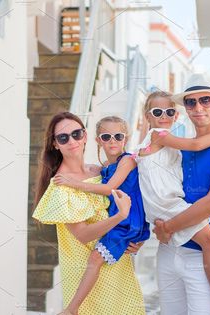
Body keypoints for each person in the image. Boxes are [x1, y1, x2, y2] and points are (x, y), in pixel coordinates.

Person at [134, 90, 210, 315]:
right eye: (191, 102)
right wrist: (135, 234)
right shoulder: (179, 147)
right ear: (186, 109)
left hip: (203, 257)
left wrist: (167, 228)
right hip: (169, 248)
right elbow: (141, 185)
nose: (198, 107)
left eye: (205, 100)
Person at [32, 112, 146, 315]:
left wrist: (136, 237)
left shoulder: (100, 172)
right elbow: (83, 235)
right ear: (55, 144)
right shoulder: (61, 186)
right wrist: (119, 217)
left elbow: (135, 196)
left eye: (76, 133)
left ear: (85, 136)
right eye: (63, 137)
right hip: (85, 277)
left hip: (117, 268)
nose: (72, 141)